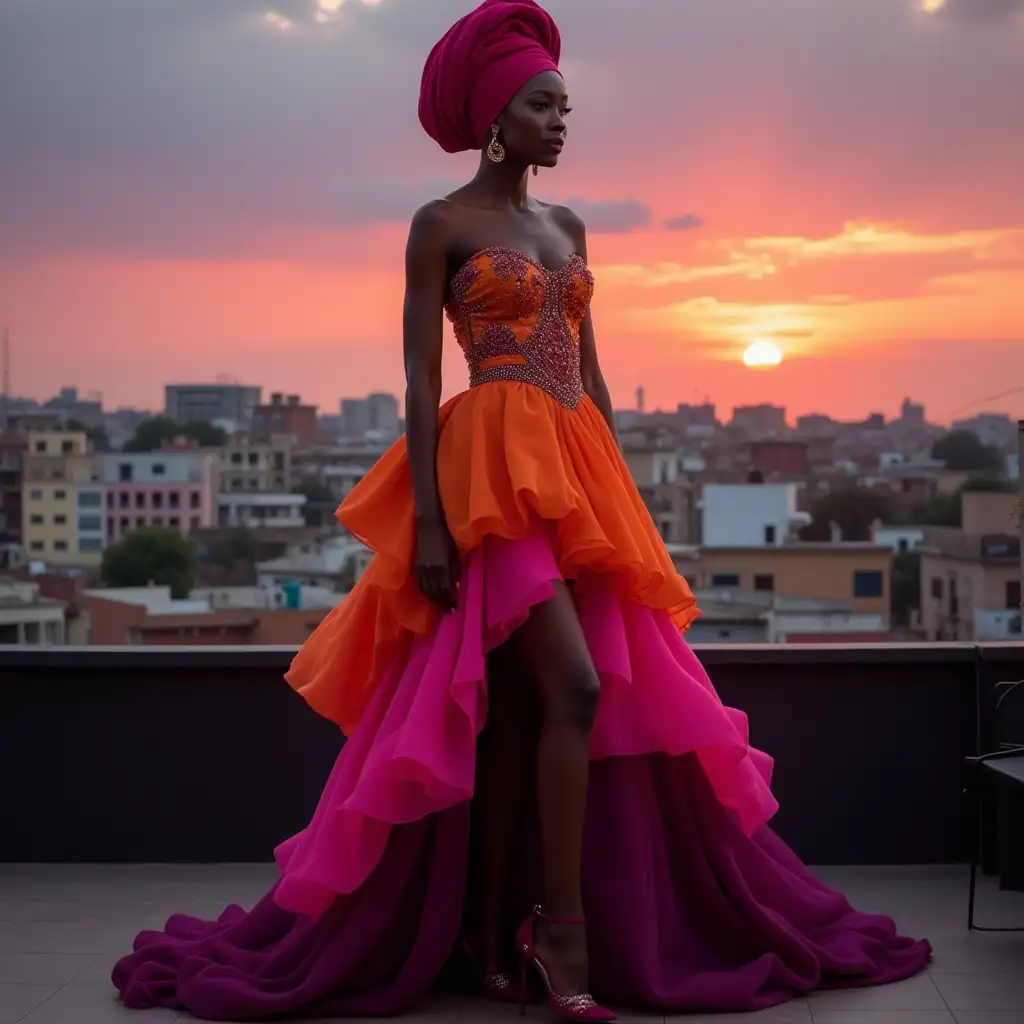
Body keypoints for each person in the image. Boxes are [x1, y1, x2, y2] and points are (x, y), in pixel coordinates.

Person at [111, 2, 931, 1019]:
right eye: (543, 103)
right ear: (498, 117)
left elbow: (591, 375)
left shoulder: (569, 228)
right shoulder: (441, 224)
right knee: (575, 690)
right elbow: (416, 382)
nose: (561, 120)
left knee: (514, 717)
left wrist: (623, 504)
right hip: (486, 475)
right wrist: (426, 525)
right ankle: (559, 934)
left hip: (575, 472)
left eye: (566, 104)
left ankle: (487, 925)